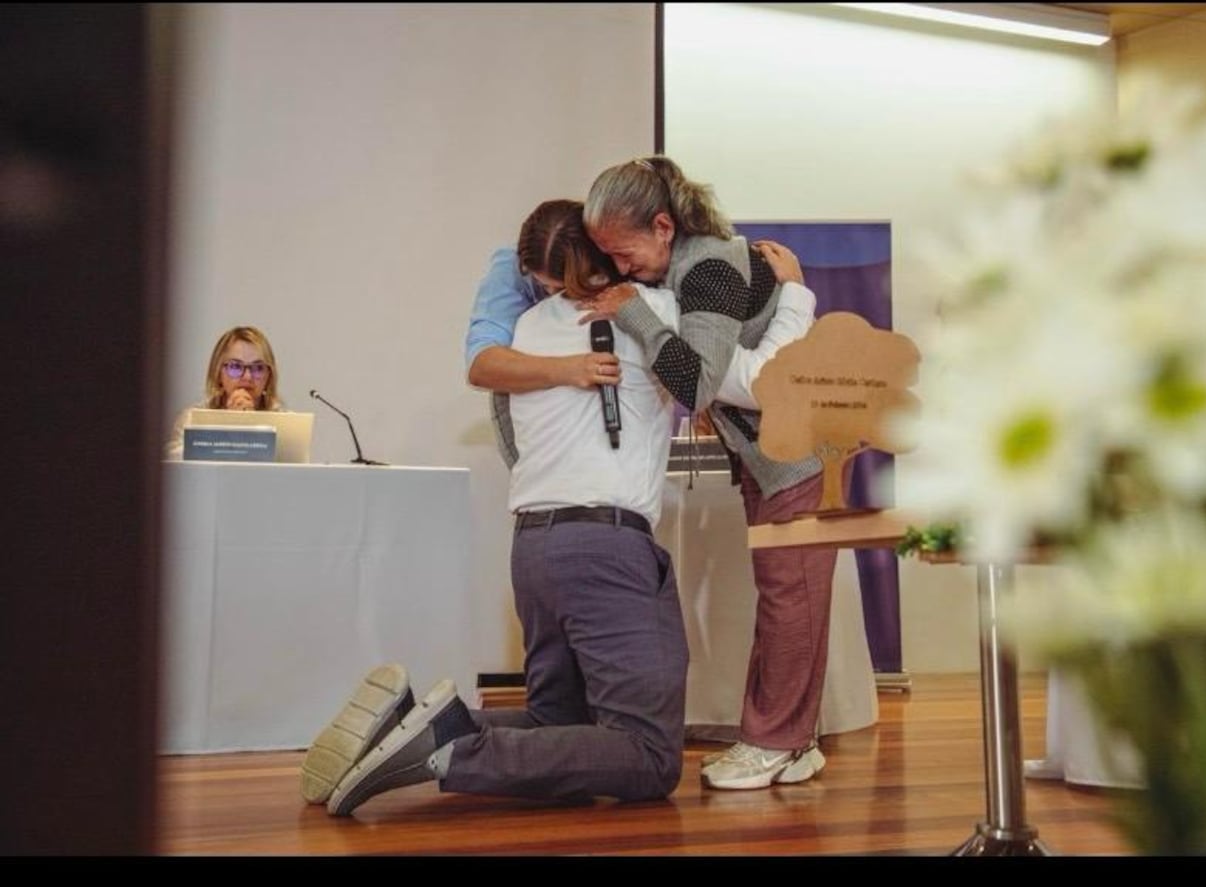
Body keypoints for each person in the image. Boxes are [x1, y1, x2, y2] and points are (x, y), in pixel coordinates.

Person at [305, 199, 687, 812]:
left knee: (555, 719)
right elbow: (715, 374)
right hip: (605, 544)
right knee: (648, 755)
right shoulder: (659, 314)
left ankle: (402, 727)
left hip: (533, 548)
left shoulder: (526, 333)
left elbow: (483, 364)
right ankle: (449, 748)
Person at [580, 155, 836, 790]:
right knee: (787, 596)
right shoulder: (699, 264)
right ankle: (789, 740)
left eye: (623, 251)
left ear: (663, 226)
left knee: (790, 599)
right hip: (774, 453)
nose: (619, 270)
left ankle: (775, 741)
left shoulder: (710, 269)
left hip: (796, 453)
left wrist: (632, 313)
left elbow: (695, 382)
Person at [164, 325, 283, 459]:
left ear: (269, 376)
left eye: (258, 368)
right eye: (236, 366)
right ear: (218, 373)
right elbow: (173, 464)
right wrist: (228, 427)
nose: (247, 377)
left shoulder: (285, 422)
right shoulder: (193, 418)